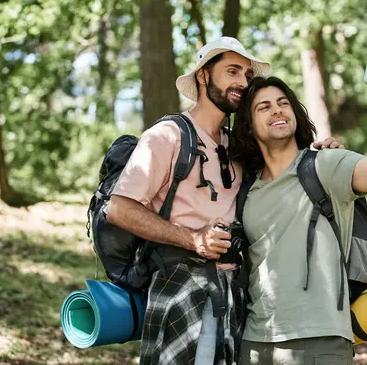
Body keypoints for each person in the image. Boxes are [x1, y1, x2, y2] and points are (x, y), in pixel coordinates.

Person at [106, 37, 341, 365]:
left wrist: (316, 153)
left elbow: (282, 164)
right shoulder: (167, 136)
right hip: (180, 286)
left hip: (235, 295)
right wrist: (192, 238)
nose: (243, 83)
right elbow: (118, 209)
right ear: (203, 75)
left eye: (246, 75)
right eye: (232, 71)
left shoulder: (239, 146)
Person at [229, 73, 367, 365]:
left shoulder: (326, 165)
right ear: (248, 126)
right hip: (255, 344)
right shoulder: (246, 189)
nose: (277, 110)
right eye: (264, 106)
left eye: (283, 103)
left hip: (320, 341)